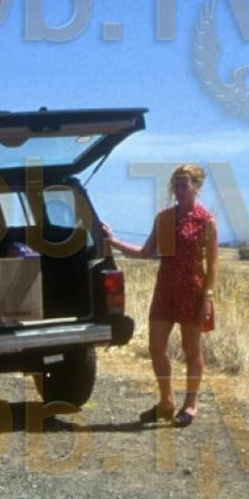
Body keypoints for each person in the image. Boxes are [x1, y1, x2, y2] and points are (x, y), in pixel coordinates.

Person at [102, 164, 218, 428]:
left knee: (191, 349)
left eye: (184, 185)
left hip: (192, 289)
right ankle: (166, 402)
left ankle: (190, 404)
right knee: (156, 347)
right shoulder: (164, 218)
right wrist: (114, 241)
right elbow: (146, 252)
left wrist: (207, 298)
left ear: (196, 187)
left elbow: (212, 265)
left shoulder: (206, 220)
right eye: (176, 185)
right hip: (165, 287)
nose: (179, 190)